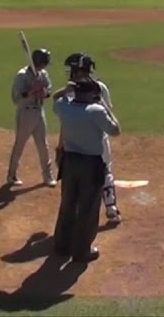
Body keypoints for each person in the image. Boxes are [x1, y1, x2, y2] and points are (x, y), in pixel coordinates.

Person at [52, 77, 120, 263]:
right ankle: (82, 251)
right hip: (90, 164)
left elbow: (55, 98)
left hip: (70, 163)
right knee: (88, 208)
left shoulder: (64, 107)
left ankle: (62, 245)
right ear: (90, 93)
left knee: (68, 204)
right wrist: (105, 106)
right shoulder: (96, 111)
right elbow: (115, 130)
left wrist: (65, 90)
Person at [54, 53, 121, 225]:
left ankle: (78, 217)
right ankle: (111, 208)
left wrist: (60, 146)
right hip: (100, 140)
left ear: (78, 70)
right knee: (106, 172)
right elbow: (109, 117)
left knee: (78, 182)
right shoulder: (101, 87)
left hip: (75, 146)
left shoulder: (70, 90)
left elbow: (65, 119)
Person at [6, 49, 56, 188]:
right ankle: (12, 175)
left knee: (43, 145)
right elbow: (16, 99)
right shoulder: (22, 76)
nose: (45, 67)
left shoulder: (43, 74)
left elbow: (48, 92)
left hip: (39, 112)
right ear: (39, 62)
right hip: (25, 114)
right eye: (44, 63)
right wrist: (31, 91)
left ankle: (48, 176)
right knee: (20, 144)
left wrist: (43, 91)